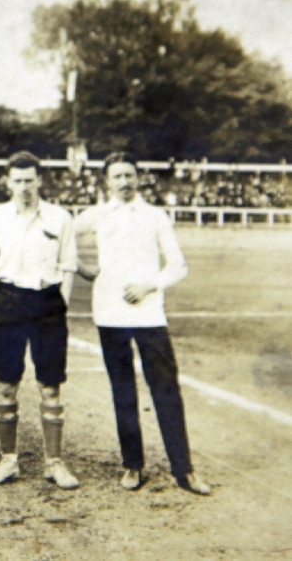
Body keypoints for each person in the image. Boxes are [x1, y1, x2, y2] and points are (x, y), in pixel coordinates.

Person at [74, 152, 211, 495]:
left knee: (166, 389)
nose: (124, 182)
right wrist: (83, 270)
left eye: (129, 175)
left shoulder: (154, 216)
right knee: (123, 392)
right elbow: (60, 240)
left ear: (139, 178)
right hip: (109, 314)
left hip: (150, 314)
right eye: (117, 176)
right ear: (106, 181)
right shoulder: (97, 215)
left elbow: (178, 265)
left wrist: (150, 285)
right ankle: (132, 465)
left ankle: (185, 470)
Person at [0, 151, 79, 490]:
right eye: (17, 181)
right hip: (7, 301)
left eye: (29, 180)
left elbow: (68, 264)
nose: (24, 187)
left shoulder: (60, 218)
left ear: (39, 180)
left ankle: (54, 462)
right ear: (8, 182)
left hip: (47, 302)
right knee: (7, 384)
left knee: (50, 385)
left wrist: (60, 298)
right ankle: (9, 460)